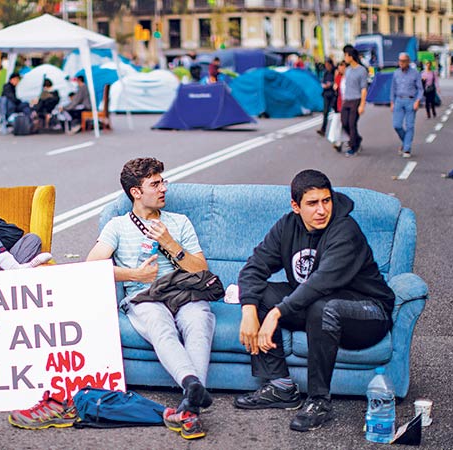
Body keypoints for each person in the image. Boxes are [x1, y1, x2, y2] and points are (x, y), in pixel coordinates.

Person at [234, 169, 394, 432]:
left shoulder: (345, 230)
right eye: (312, 203)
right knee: (260, 294)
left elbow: (321, 283)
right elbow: (254, 267)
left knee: (323, 307)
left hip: (368, 313)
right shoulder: (287, 226)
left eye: (326, 201)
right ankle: (280, 386)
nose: (321, 210)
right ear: (296, 206)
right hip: (317, 307)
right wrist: (249, 311)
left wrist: (276, 313)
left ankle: (319, 401)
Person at [85, 157, 215, 440]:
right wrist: (134, 274)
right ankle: (192, 391)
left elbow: (201, 270)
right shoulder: (118, 226)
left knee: (200, 320)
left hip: (182, 292)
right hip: (145, 297)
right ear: (136, 192)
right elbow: (91, 266)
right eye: (155, 184)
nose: (163, 188)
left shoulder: (179, 222)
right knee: (160, 325)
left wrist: (170, 243)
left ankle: (191, 398)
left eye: (163, 181)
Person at [390, 53, 423, 159]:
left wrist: (417, 101)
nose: (401, 63)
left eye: (404, 61)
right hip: (398, 100)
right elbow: (393, 89)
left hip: (410, 100)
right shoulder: (396, 73)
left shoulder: (415, 73)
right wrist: (392, 102)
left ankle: (407, 148)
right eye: (400, 61)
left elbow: (420, 89)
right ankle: (405, 142)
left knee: (410, 126)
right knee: (397, 125)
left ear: (408, 61)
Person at [340, 46, 368, 157]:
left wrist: (362, 104)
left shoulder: (361, 70)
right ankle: (357, 138)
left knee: (352, 124)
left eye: (345, 55)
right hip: (347, 100)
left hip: (356, 100)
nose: (345, 58)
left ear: (350, 56)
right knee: (344, 122)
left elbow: (364, 89)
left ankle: (353, 147)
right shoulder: (347, 70)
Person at [317, 59, 336, 137]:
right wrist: (324, 85)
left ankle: (336, 130)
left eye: (328, 65)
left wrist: (330, 84)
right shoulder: (326, 73)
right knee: (325, 112)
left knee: (336, 113)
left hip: (333, 94)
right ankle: (323, 129)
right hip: (326, 94)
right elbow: (323, 81)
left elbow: (336, 82)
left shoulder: (335, 72)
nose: (327, 67)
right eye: (326, 65)